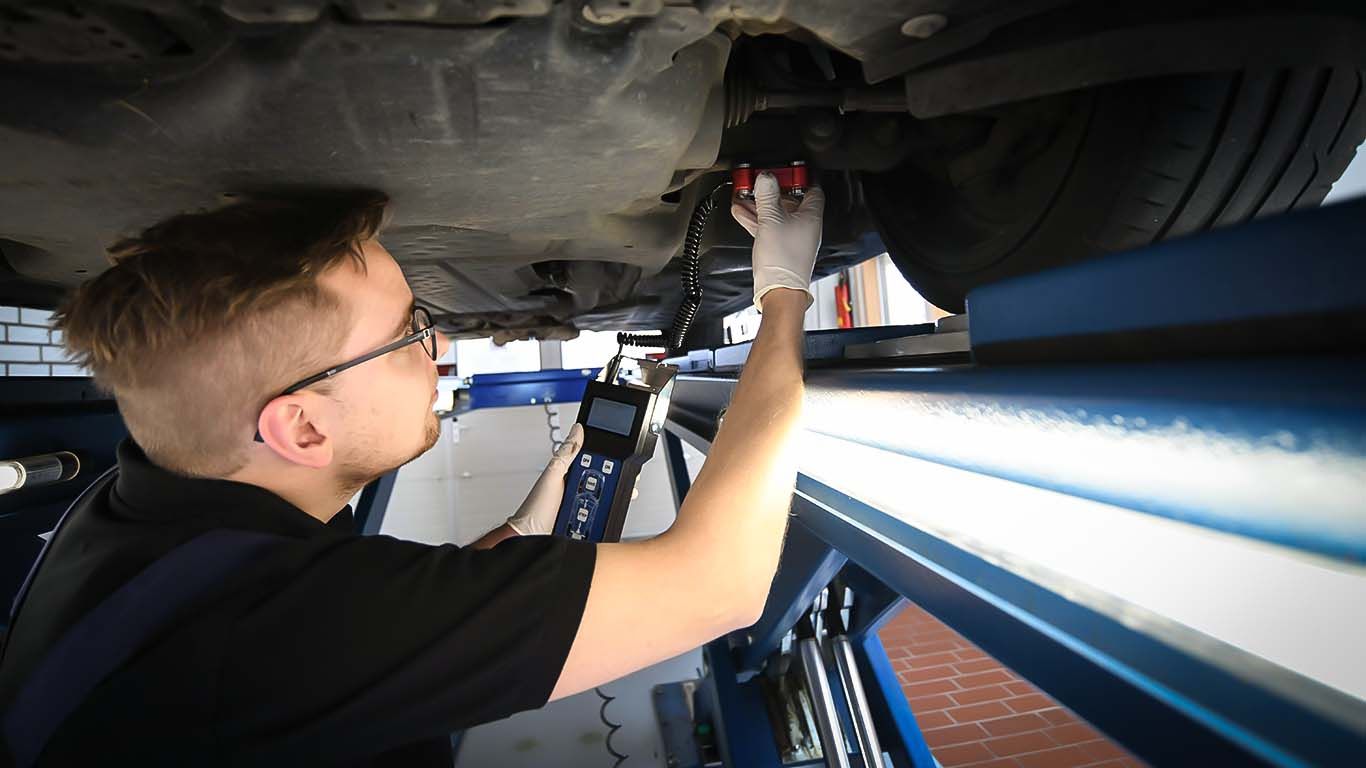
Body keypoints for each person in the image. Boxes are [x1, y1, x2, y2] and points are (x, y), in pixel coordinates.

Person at [0, 173, 824, 766]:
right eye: (407, 335)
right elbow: (721, 585)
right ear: (302, 426)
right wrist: (784, 296)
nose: (438, 347)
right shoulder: (270, 635)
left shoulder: (145, 513)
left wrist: (524, 528)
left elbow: (373, 617)